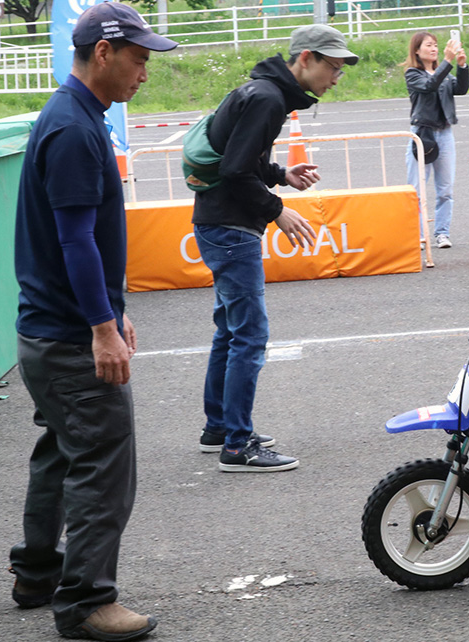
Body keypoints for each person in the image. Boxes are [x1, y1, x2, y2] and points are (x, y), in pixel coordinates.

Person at [8, 3, 176, 640]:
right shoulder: (77, 130)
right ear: (102, 53)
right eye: (137, 58)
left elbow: (77, 239)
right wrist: (103, 326)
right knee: (103, 465)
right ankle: (84, 603)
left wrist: (114, 308)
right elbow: (76, 240)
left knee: (59, 452)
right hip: (71, 337)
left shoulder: (69, 114)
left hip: (45, 331)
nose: (144, 72)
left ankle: (36, 573)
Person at [191, 25, 357, 472]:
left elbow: (240, 158)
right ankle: (237, 446)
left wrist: (282, 173)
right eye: (332, 67)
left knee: (230, 329)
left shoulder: (263, 91)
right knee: (249, 335)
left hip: (216, 222)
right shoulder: (267, 99)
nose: (336, 78)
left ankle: (220, 427)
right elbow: (236, 169)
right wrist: (277, 209)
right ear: (305, 59)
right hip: (230, 228)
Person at [403, 31, 469, 249]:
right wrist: (447, 61)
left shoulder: (445, 73)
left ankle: (442, 233)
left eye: (436, 45)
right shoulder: (413, 73)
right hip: (422, 134)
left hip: (445, 133)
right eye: (429, 45)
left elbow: (460, 89)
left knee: (446, 189)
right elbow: (429, 85)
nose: (434, 49)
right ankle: (418, 235)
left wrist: (461, 66)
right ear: (417, 50)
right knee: (417, 188)